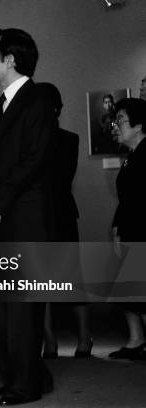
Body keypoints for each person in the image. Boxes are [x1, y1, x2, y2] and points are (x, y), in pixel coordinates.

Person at [0, 28, 57, 406]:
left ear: (11, 59)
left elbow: (34, 161)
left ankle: (24, 385)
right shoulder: (0, 103)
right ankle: (25, 374)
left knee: (22, 308)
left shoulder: (36, 99)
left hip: (22, 219)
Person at [36, 82, 91, 360]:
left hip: (60, 214)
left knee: (72, 279)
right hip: (39, 216)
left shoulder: (68, 139)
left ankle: (84, 339)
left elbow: (58, 178)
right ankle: (51, 342)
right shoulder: (31, 139)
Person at [109, 98, 146, 360]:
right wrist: (116, 226)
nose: (116, 125)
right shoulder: (130, 156)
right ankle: (136, 341)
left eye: (121, 119)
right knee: (128, 288)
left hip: (143, 231)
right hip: (131, 229)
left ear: (139, 124)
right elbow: (127, 198)